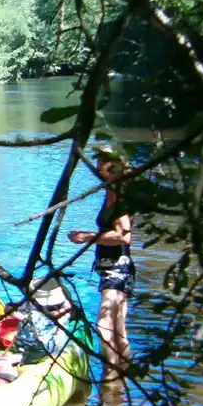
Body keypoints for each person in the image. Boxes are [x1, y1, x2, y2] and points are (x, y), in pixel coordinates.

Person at [67, 150, 134, 380]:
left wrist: (87, 237)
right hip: (110, 268)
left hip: (118, 268)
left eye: (101, 168)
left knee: (104, 324)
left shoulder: (121, 198)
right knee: (118, 329)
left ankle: (110, 378)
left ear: (114, 169)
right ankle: (122, 380)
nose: (98, 173)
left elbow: (124, 236)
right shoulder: (111, 193)